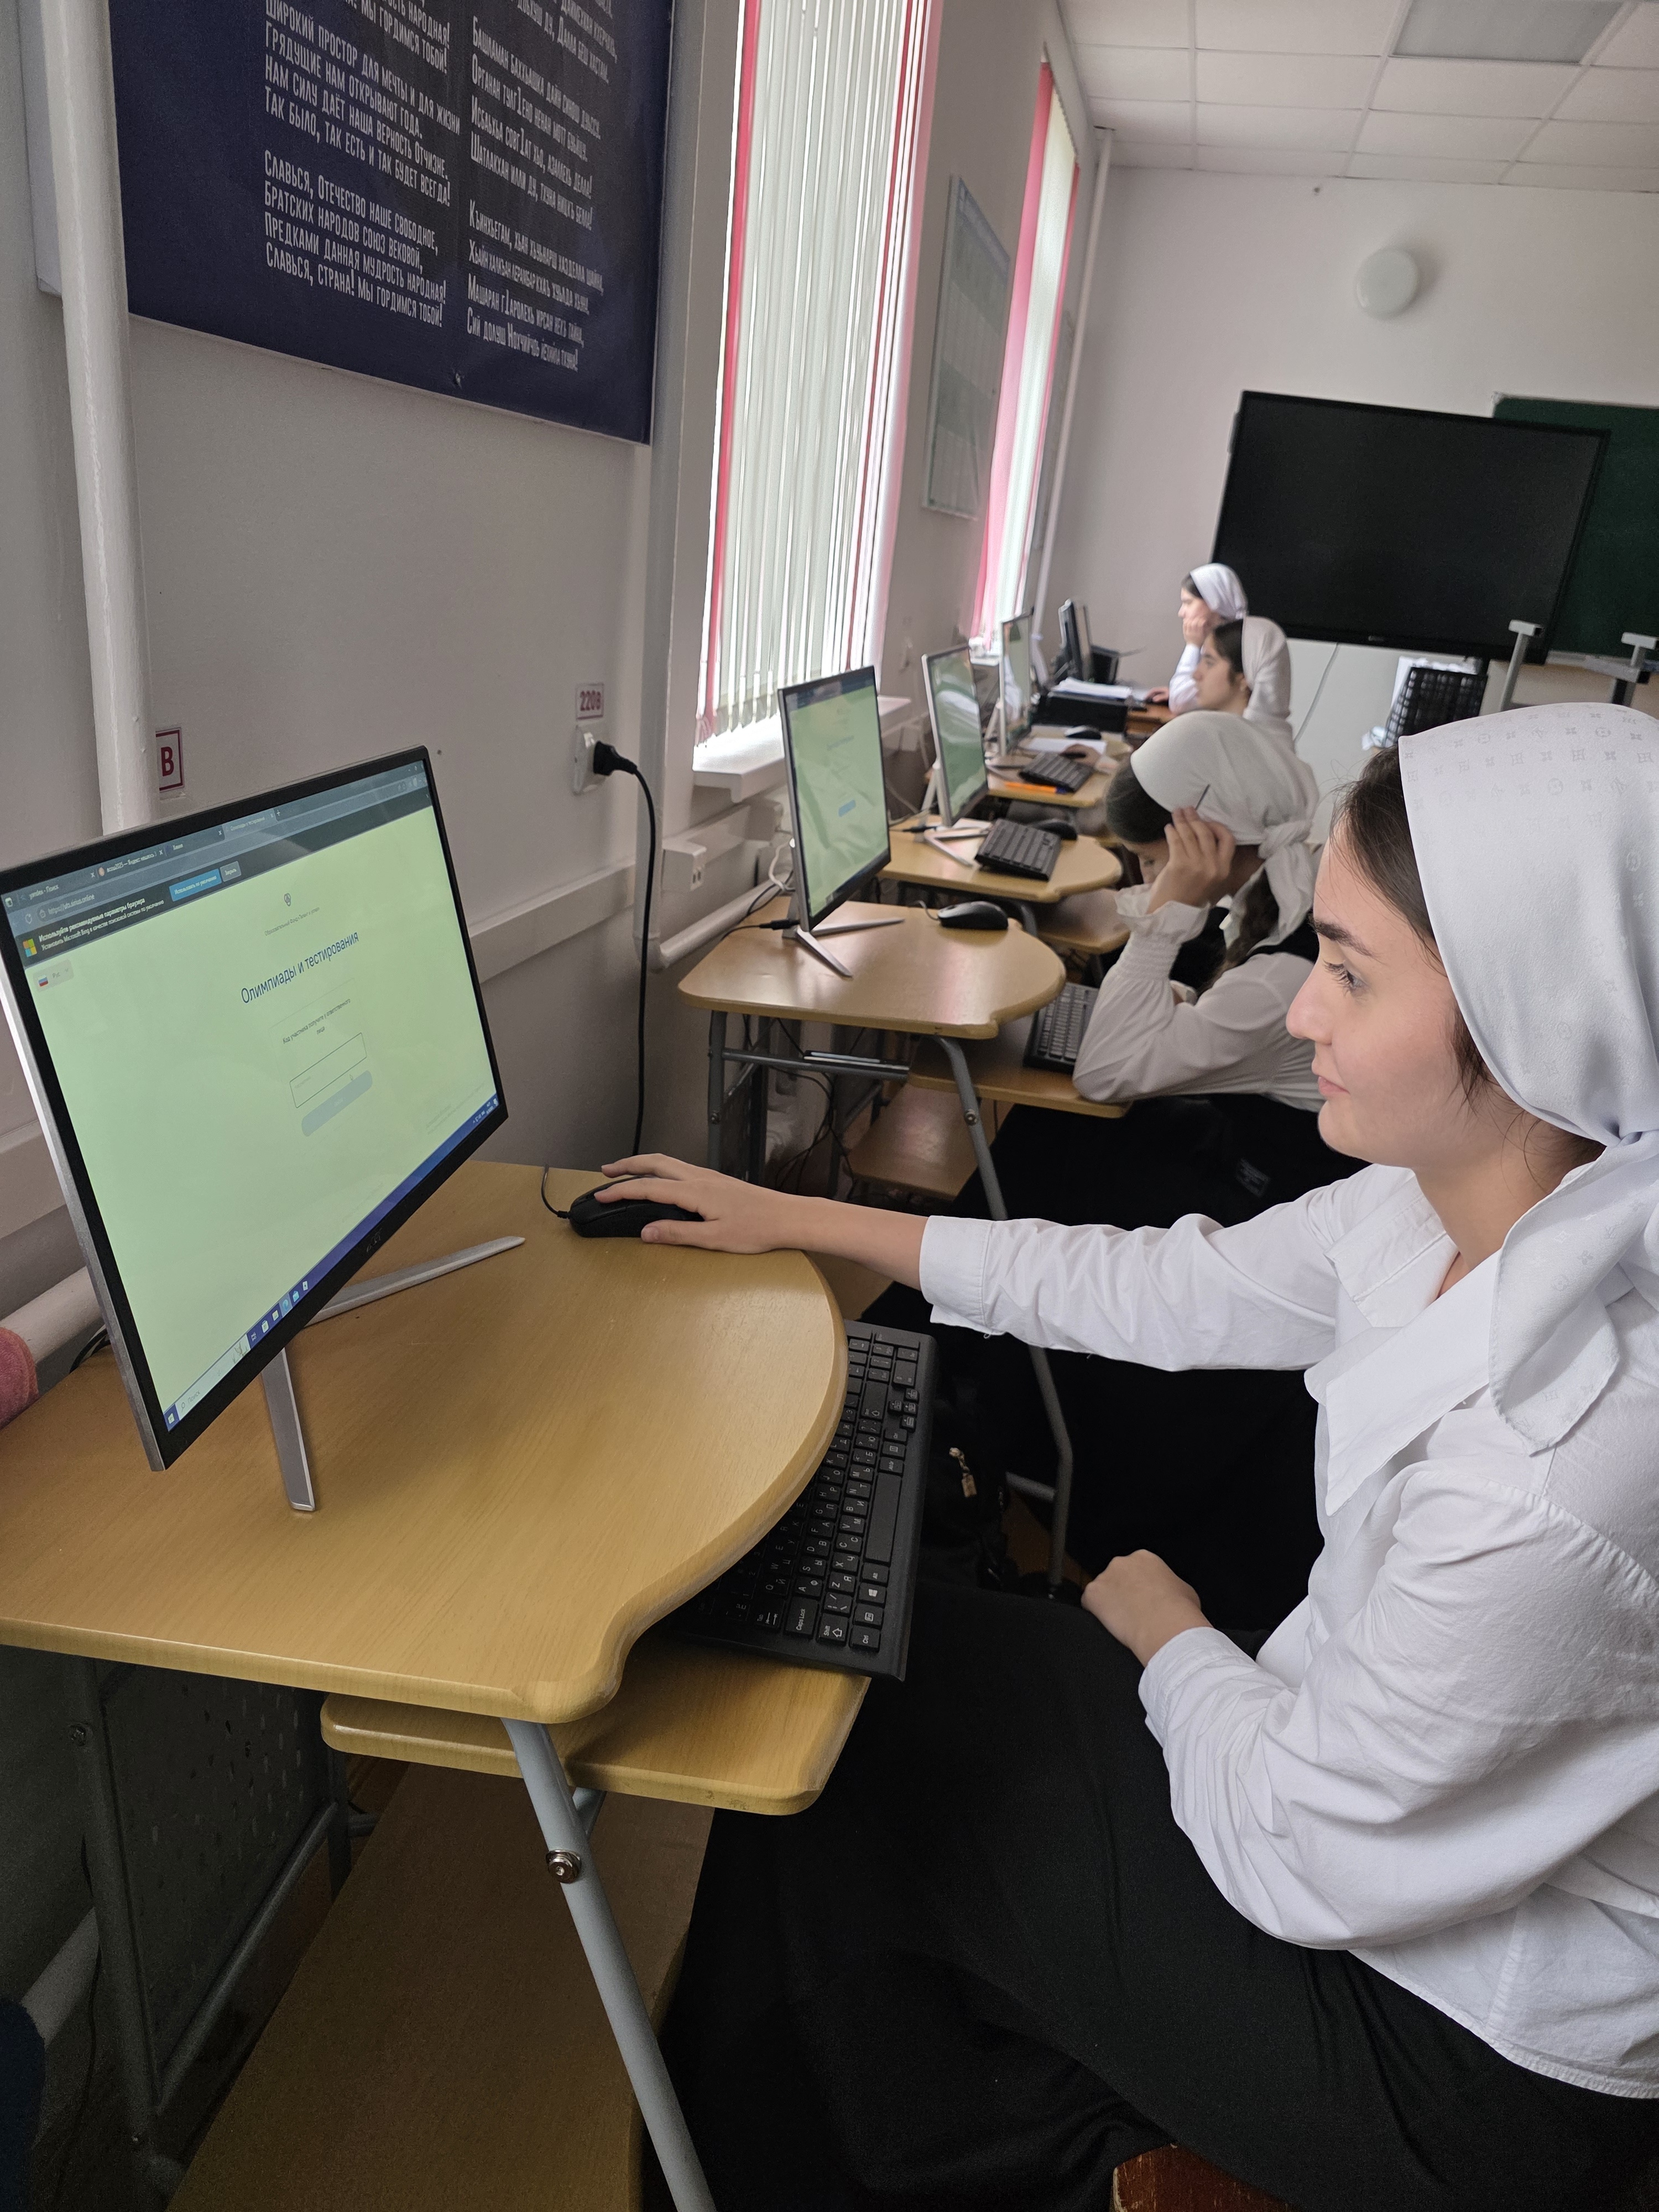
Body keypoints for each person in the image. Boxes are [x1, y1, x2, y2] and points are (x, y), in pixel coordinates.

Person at [607, 703, 1659, 2211]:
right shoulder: (1443, 1200)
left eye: (1350, 973)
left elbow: (1300, 1853)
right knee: (889, 1694)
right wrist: (806, 1220)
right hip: (1364, 1830)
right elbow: (1161, 1287)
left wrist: (1168, 1636)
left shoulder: (1557, 1467)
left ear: (1527, 1010)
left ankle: (763, 2152)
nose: (1303, 1014)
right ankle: (852, 2133)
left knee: (868, 1741)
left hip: (1455, 2050)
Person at [1150, 562, 1246, 711]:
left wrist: (1193, 645)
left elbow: (1180, 701)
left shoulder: (1233, 645)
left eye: (1188, 603)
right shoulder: (1220, 639)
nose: (1181, 613)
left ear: (1214, 601)